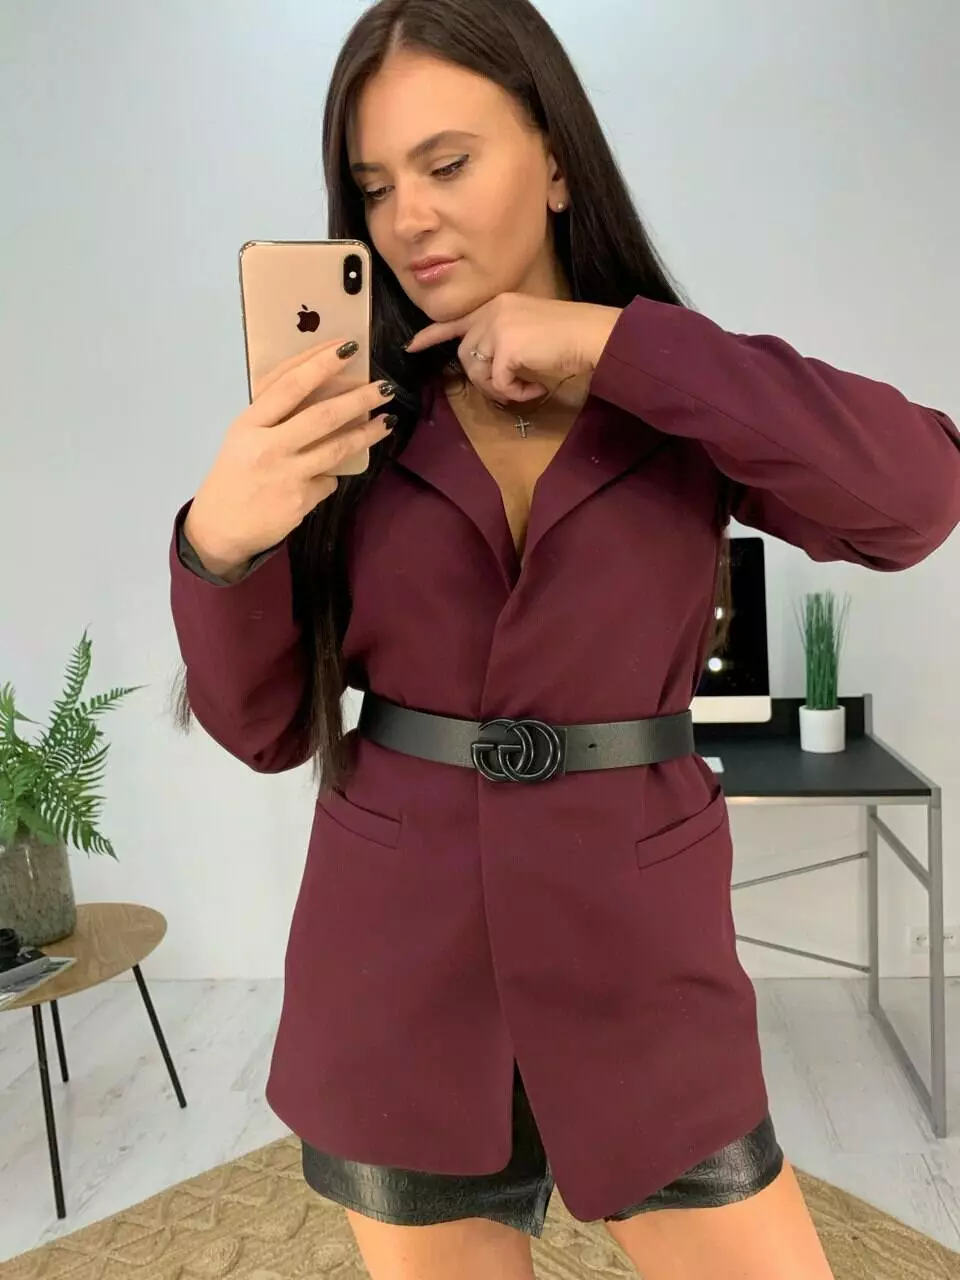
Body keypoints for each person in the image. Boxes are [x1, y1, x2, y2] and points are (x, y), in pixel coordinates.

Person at [168, 1, 960, 1276]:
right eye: (375, 185)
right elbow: (259, 728)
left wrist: (615, 345)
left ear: (553, 161)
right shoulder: (341, 423)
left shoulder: (675, 391)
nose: (408, 216)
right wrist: (222, 542)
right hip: (398, 974)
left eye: (446, 162)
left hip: (642, 964)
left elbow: (917, 500)